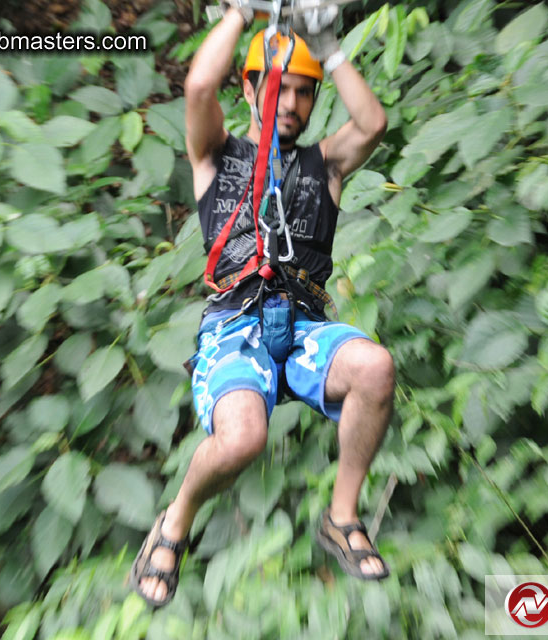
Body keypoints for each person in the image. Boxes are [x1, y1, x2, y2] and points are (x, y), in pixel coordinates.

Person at [130, 0, 394, 608]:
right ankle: (176, 522)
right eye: (283, 89)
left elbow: (373, 123)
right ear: (250, 88)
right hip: (235, 324)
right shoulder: (216, 157)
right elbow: (198, 86)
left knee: (375, 368)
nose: (294, 104)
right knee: (243, 436)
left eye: (306, 93)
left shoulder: (323, 164)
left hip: (302, 323)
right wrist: (242, 14)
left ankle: (342, 516)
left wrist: (329, 48)